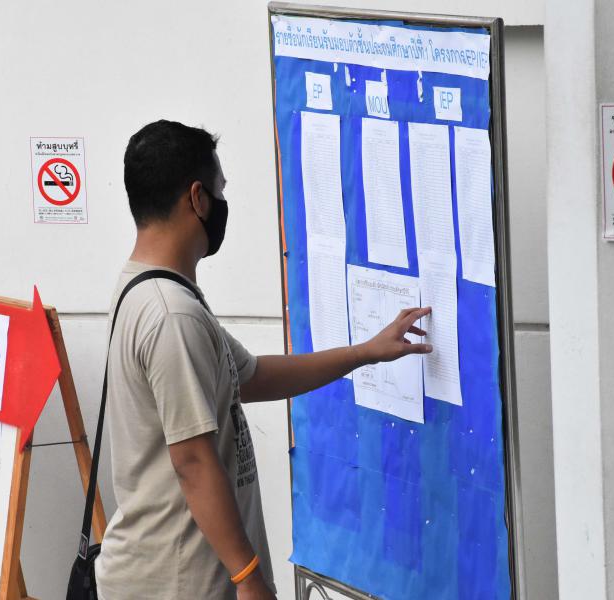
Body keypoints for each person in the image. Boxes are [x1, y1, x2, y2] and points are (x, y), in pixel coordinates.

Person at [94, 120, 432, 600]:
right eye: (219, 189)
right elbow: (193, 461)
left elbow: (252, 377)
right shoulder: (172, 315)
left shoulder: (150, 291)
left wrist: (365, 352)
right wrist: (248, 577)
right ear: (197, 198)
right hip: (177, 584)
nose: (222, 202)